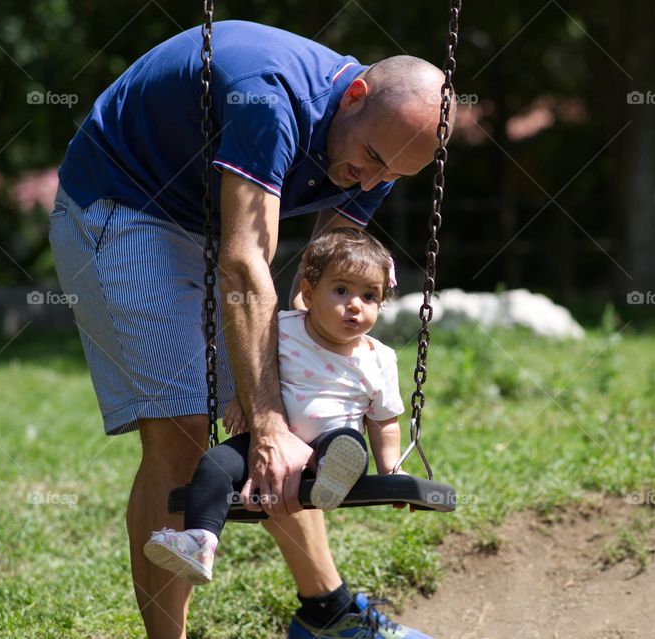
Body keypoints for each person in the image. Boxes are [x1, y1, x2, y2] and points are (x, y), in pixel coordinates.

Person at [49, 19, 448, 639]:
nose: (369, 182)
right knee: (182, 431)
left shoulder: (379, 149)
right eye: (369, 160)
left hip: (204, 221)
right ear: (355, 97)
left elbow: (318, 280)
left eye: (390, 176)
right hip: (124, 208)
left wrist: (319, 374)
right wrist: (263, 422)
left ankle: (327, 614)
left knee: (295, 411)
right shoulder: (270, 97)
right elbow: (244, 259)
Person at [143, 228, 405, 585]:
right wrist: (242, 399)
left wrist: (391, 469)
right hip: (265, 443)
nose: (355, 305)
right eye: (341, 290)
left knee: (347, 444)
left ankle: (330, 479)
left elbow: (384, 420)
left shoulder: (379, 358)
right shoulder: (282, 328)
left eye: (370, 296)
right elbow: (255, 366)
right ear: (309, 295)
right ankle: (199, 541)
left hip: (329, 448)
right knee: (214, 464)